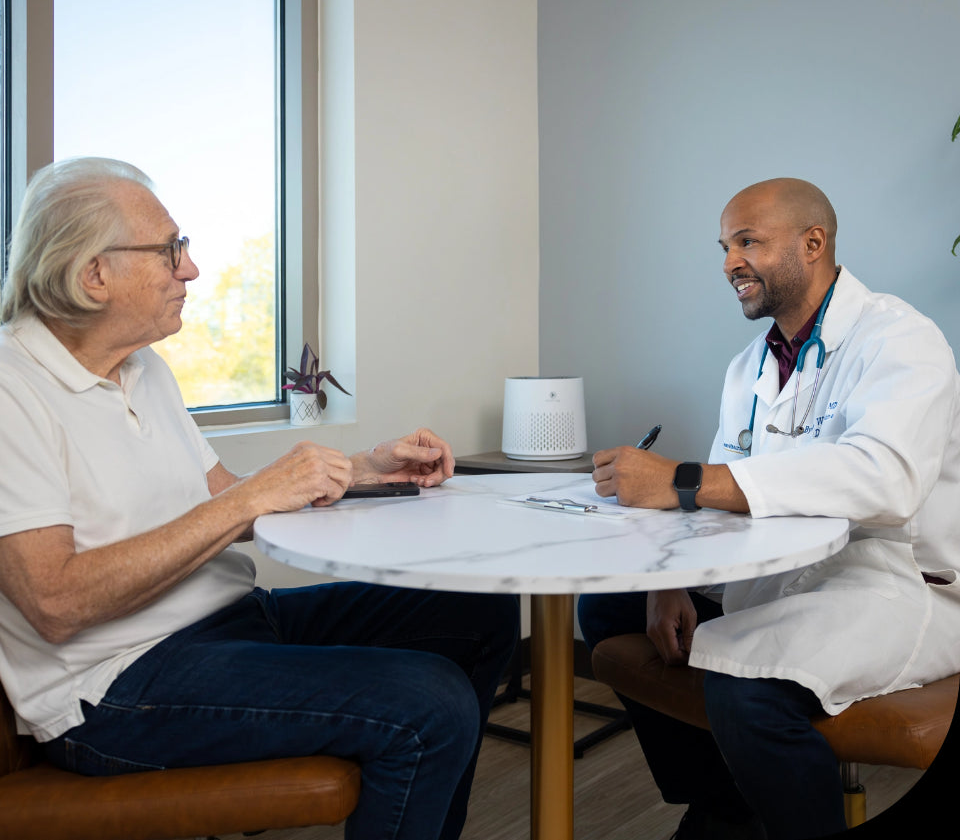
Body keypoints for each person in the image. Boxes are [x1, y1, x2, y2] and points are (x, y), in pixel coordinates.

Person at [0, 157, 519, 840]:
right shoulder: (14, 388)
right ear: (93, 274)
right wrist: (251, 499)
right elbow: (57, 602)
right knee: (430, 702)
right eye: (169, 250)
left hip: (232, 622)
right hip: (114, 688)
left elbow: (221, 498)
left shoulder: (142, 368)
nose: (189, 269)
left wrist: (368, 467)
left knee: (477, 609)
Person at [578, 178, 960, 840]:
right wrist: (671, 578)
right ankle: (727, 806)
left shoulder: (900, 340)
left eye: (747, 240)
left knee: (744, 685)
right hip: (783, 573)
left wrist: (685, 479)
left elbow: (886, 481)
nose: (729, 261)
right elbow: (726, 500)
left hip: (890, 583)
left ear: (812, 244)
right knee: (609, 605)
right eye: (725, 246)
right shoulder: (748, 368)